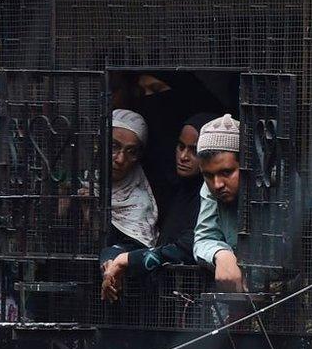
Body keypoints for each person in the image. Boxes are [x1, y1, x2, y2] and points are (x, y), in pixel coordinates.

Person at [101, 113, 216, 301]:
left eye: (194, 151)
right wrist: (111, 262)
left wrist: (131, 260)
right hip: (162, 297)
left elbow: (189, 245)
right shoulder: (171, 192)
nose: (184, 157)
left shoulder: (209, 197)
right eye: (181, 147)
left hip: (193, 299)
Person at [99, 109, 159, 271]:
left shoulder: (139, 202)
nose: (120, 159)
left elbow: (139, 250)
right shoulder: (82, 183)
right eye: (113, 146)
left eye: (131, 152)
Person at [192, 113, 243, 292]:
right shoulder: (210, 189)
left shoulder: (279, 185)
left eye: (227, 172)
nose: (217, 184)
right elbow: (204, 238)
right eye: (208, 175)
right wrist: (220, 254)